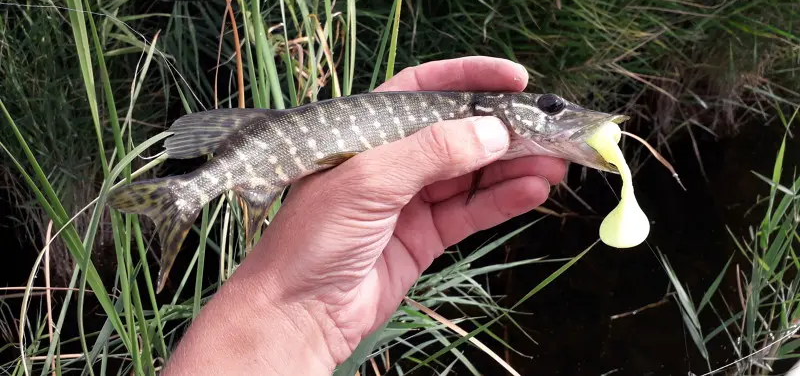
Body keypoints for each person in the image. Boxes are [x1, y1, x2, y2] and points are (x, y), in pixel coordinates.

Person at [163, 57, 566, 375]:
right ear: (486, 114)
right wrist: (299, 309)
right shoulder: (477, 121)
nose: (556, 115)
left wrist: (301, 316)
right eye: (550, 109)